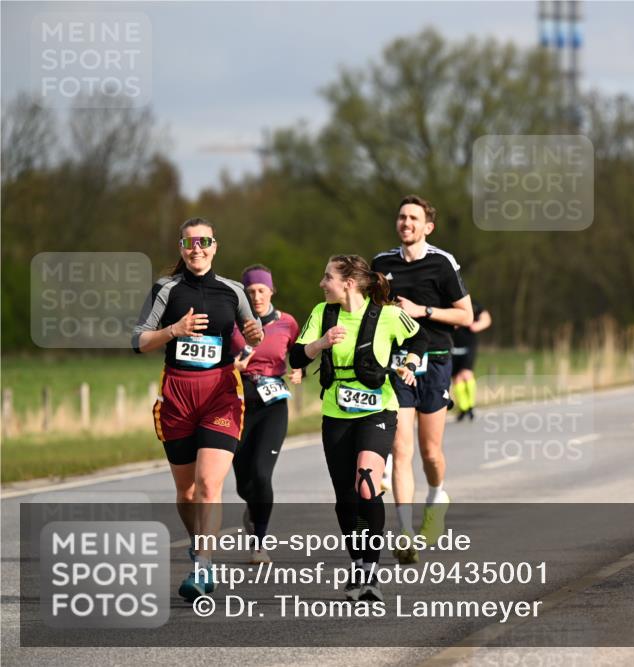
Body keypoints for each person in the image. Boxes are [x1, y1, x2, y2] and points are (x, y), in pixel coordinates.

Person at [132, 217, 263, 601]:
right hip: (177, 394)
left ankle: (202, 567)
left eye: (204, 241)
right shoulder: (166, 290)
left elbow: (252, 331)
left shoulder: (232, 291)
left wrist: (254, 333)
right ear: (181, 248)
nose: (197, 248)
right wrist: (174, 331)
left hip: (220, 393)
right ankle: (198, 546)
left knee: (209, 485)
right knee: (187, 493)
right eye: (190, 242)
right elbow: (137, 340)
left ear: (215, 246)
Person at [289, 254, 428, 602]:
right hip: (336, 413)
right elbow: (295, 357)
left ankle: (371, 570)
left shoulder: (389, 315)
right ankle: (358, 565)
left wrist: (409, 364)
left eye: (327, 277)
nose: (322, 284)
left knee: (366, 483)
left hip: (378, 409)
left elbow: (420, 339)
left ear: (348, 283)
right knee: (345, 499)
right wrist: (320, 344)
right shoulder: (323, 314)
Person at [371, 195, 473, 564]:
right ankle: (405, 532)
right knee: (401, 450)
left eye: (414, 218)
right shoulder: (382, 263)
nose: (406, 223)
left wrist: (422, 311)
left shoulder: (442, 263)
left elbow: (466, 316)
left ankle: (437, 495)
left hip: (436, 360)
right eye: (401, 217)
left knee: (429, 451)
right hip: (398, 364)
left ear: (427, 227)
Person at [230, 265, 301, 564]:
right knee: (244, 483)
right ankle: (253, 507)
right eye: (250, 292)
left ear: (272, 291)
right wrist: (234, 366)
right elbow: (222, 361)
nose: (256, 296)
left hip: (272, 406)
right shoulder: (233, 324)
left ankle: (259, 542)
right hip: (237, 403)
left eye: (261, 290)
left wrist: (299, 369)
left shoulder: (287, 323)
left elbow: (298, 354)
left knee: (262, 473)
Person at [452, 301, 492, 420]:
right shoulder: (446, 303)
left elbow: (486, 318)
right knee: (456, 378)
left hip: (468, 346)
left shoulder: (472, 304)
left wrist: (477, 325)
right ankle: (463, 408)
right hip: (452, 347)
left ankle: (471, 406)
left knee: (466, 374)